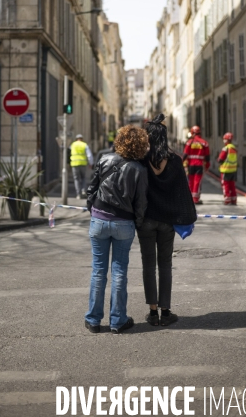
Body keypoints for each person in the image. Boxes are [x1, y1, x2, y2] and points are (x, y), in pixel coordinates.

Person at [85, 125, 148, 334]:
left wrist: (93, 211)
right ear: (140, 145)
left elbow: (90, 189)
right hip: (124, 223)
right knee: (119, 271)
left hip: (99, 221)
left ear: (119, 140)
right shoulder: (139, 169)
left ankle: (93, 320)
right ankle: (117, 320)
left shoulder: (104, 159)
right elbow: (141, 203)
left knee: (98, 271)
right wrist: (138, 224)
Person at [138, 114, 197, 327]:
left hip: (145, 220)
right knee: (165, 264)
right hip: (167, 222)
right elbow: (183, 191)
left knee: (148, 265)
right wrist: (185, 217)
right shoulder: (175, 160)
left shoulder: (141, 160)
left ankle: (152, 313)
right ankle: (166, 311)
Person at [182, 125, 210, 204]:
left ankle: (190, 198)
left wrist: (181, 163)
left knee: (191, 181)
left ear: (192, 133)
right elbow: (207, 156)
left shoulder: (189, 142)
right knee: (197, 181)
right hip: (199, 165)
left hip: (191, 165)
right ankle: (195, 199)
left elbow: (185, 155)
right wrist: (207, 165)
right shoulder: (204, 143)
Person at [69, 134, 94, 199]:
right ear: (82, 139)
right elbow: (89, 155)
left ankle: (78, 194)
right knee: (83, 178)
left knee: (76, 179)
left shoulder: (72, 145)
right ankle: (83, 190)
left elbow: (68, 153)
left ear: (76, 139)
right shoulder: (84, 145)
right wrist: (91, 163)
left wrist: (68, 162)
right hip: (83, 163)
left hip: (74, 164)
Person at [217, 132, 238, 205]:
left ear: (226, 140)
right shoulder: (234, 148)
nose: (223, 140)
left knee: (226, 185)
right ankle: (233, 200)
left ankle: (227, 200)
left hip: (225, 170)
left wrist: (218, 160)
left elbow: (220, 159)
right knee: (232, 186)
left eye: (224, 139)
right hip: (233, 170)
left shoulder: (225, 148)